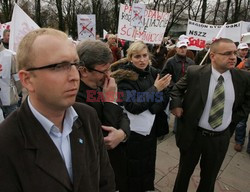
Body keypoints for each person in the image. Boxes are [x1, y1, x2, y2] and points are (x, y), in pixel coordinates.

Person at [0, 28, 115, 191]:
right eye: (59, 66)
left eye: (75, 64)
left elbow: (105, 181)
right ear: (27, 79)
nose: (75, 76)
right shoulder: (6, 142)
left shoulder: (87, 116)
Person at [170, 38, 250, 192]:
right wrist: (176, 105)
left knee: (209, 179)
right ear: (212, 56)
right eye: (227, 53)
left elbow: (247, 102)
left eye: (234, 52)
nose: (233, 57)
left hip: (219, 139)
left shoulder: (243, 78)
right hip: (193, 136)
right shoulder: (195, 73)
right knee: (183, 175)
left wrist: (232, 120)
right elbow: (176, 89)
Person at [112, 41, 172, 191]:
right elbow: (133, 106)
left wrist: (151, 107)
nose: (142, 60)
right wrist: (154, 89)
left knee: (147, 166)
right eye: (137, 56)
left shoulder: (154, 73)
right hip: (133, 133)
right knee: (132, 169)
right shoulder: (125, 77)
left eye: (144, 55)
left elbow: (164, 97)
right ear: (130, 57)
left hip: (150, 131)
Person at [76, 40, 130, 192]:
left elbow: (123, 115)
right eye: (104, 71)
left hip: (115, 168)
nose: (109, 76)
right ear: (83, 70)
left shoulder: (101, 86)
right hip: (97, 175)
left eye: (109, 69)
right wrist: (110, 101)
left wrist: (123, 133)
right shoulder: (75, 97)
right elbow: (104, 136)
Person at [0, 40, 21, 117]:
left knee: (11, 124)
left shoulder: (11, 55)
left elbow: (18, 80)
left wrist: (14, 93)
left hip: (9, 98)